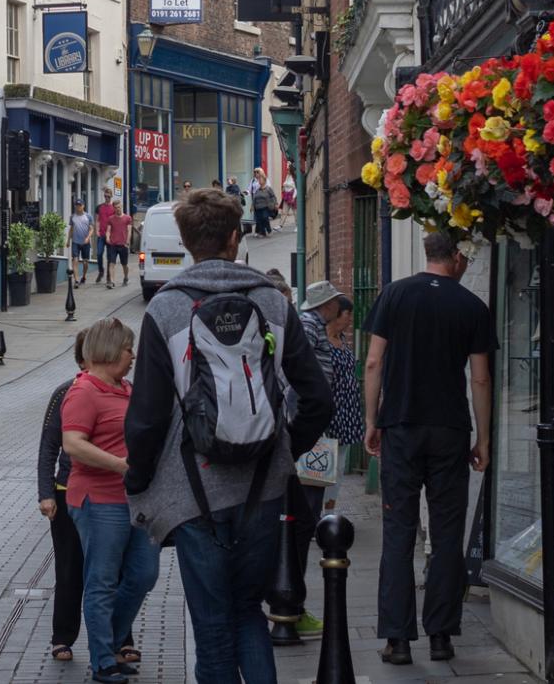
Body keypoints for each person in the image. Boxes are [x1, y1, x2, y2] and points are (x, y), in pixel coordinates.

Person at [125, 189, 332, 684]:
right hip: (263, 488)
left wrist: (138, 478)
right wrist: (282, 448)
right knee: (247, 615)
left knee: (213, 627)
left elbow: (147, 417)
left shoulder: (166, 310)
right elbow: (317, 398)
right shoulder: (271, 302)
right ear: (236, 237)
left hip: (195, 494)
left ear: (185, 240)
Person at [362, 230, 497, 665]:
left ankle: (398, 640)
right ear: (455, 257)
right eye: (465, 258)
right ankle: (440, 635)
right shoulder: (472, 306)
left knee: (398, 533)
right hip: (449, 430)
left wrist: (371, 419)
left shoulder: (394, 296)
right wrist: (484, 438)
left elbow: (373, 361)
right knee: (446, 534)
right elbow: (480, 378)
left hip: (400, 426)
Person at [268, 278, 364, 646]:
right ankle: (288, 604)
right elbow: (308, 392)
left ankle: (288, 603)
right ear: (326, 307)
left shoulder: (304, 327)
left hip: (310, 437)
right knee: (300, 521)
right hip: (309, 439)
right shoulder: (309, 330)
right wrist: (305, 438)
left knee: (301, 519)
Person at [61, 318, 157, 684]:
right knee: (101, 580)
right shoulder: (84, 391)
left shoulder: (126, 389)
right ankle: (103, 660)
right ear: (109, 349)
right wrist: (120, 465)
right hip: (99, 500)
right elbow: (72, 444)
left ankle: (110, 643)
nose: (132, 355)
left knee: (144, 574)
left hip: (137, 501)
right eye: (128, 347)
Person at [101, 202, 131, 289]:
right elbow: (108, 230)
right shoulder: (111, 219)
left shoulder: (127, 218)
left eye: (119, 207)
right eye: (116, 207)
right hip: (113, 244)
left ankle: (125, 277)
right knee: (111, 263)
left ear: (121, 207)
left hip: (123, 245)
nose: (117, 209)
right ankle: (112, 282)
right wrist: (107, 237)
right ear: (114, 208)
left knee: (124, 264)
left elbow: (129, 231)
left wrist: (127, 242)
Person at [69, 198, 97, 286]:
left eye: (80, 205)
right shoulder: (72, 216)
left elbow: (92, 229)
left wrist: (88, 237)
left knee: (85, 262)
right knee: (75, 260)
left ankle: (84, 276)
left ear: (83, 206)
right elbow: (71, 229)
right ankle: (76, 280)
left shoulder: (88, 216)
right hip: (75, 242)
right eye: (77, 205)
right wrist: (68, 240)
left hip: (85, 242)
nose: (78, 207)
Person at [94, 190, 120, 283]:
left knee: (110, 256)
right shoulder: (99, 207)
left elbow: (117, 221)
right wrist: (96, 230)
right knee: (99, 254)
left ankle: (109, 276)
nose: (107, 198)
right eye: (105, 196)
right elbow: (97, 220)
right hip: (101, 234)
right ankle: (101, 271)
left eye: (108, 196)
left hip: (110, 236)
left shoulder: (114, 208)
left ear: (111, 197)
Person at [248, 169, 279, 238]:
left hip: (265, 206)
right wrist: (252, 206)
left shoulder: (268, 189)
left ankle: (269, 230)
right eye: (259, 180)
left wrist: (276, 204)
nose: (259, 181)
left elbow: (273, 196)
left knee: (265, 218)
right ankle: (262, 233)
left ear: (264, 181)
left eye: (261, 180)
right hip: (257, 207)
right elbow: (254, 198)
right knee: (259, 220)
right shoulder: (257, 190)